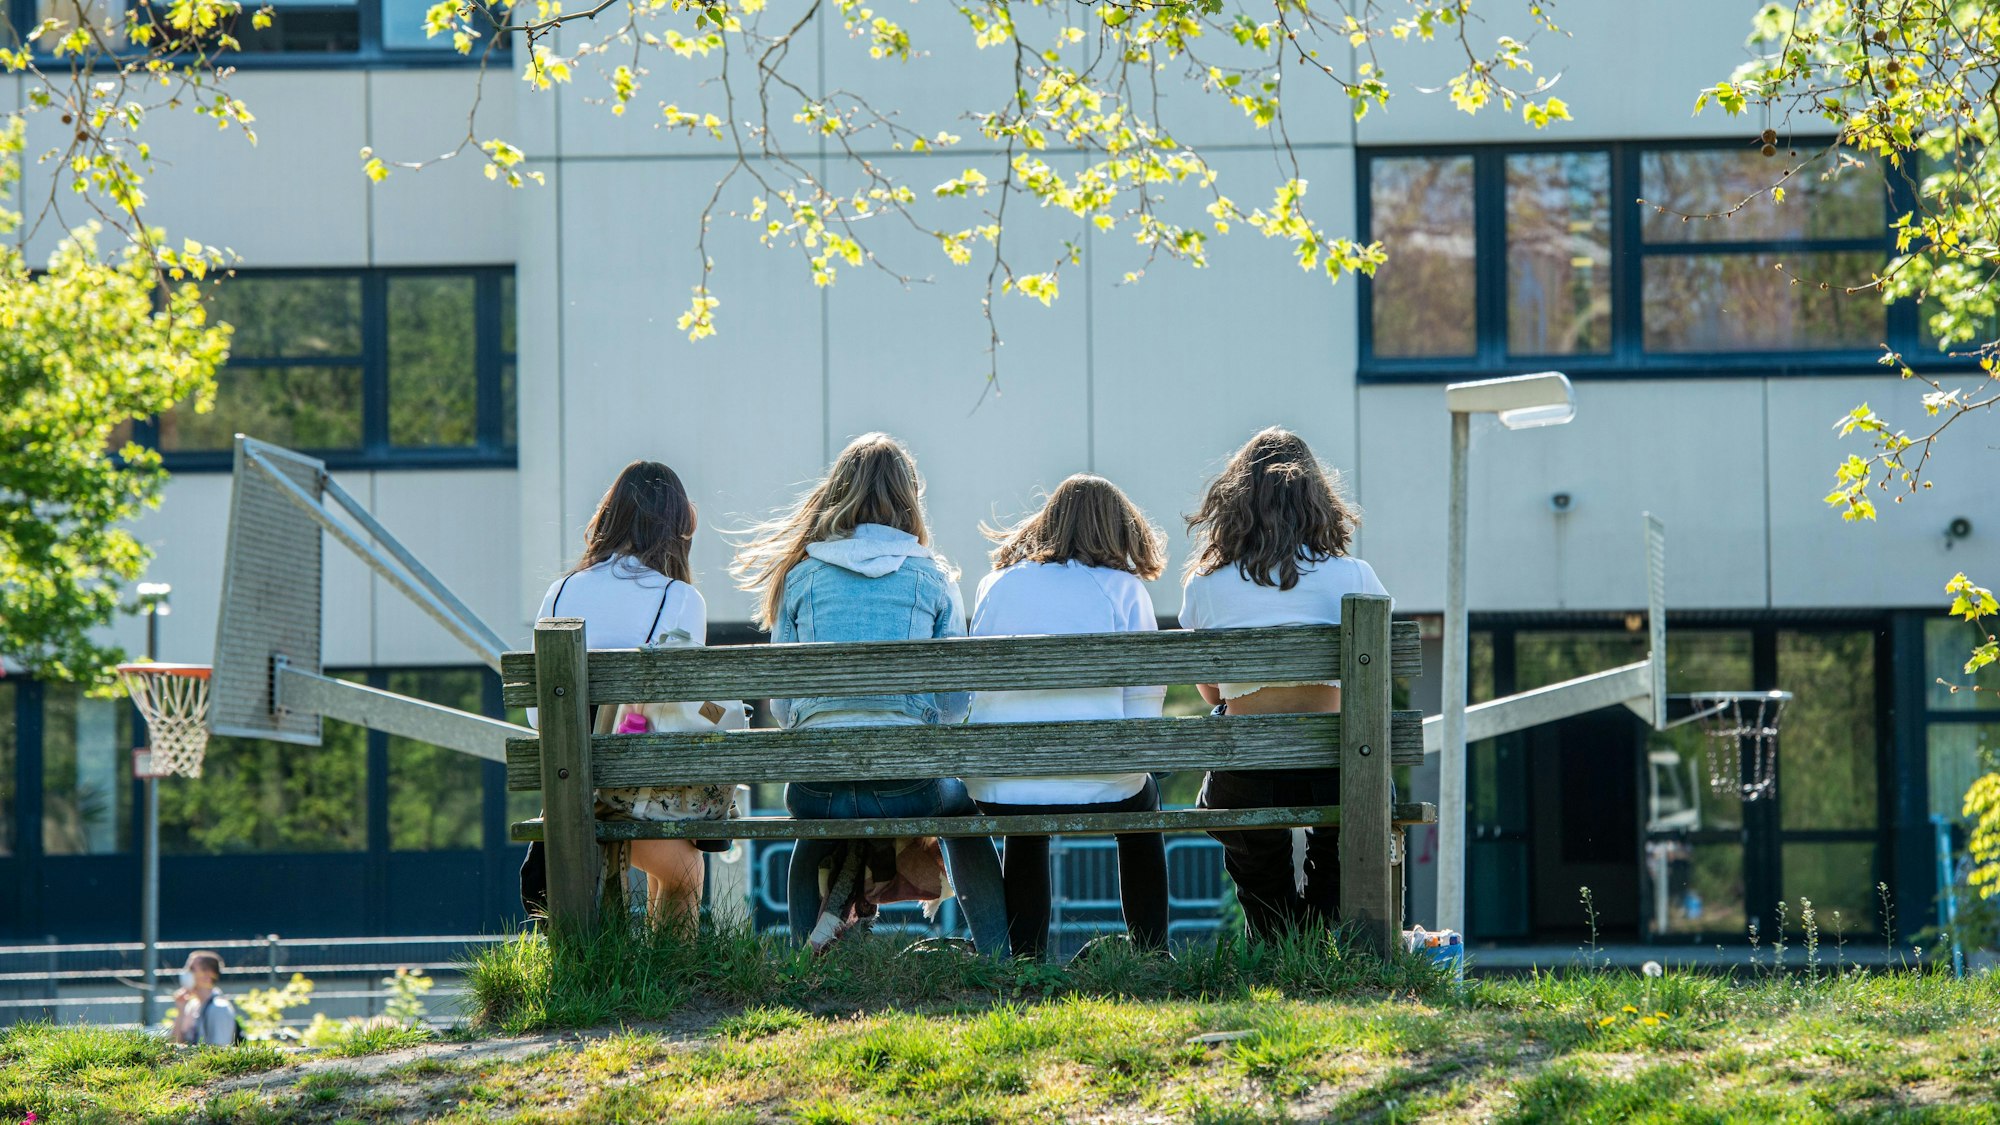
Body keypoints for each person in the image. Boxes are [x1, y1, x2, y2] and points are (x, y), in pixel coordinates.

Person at [731, 432, 1010, 957]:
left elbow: (784, 707)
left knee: (815, 831)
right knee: (963, 818)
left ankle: (803, 964)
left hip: (818, 789)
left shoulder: (800, 577)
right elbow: (954, 704)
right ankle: (998, 957)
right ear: (909, 500)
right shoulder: (933, 577)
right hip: (909, 785)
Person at [1179, 428, 1389, 942]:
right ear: (1320, 503)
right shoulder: (1355, 576)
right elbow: (1376, 682)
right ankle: (1319, 934)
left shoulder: (1207, 584)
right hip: (1340, 765)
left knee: (1250, 839)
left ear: (1234, 504)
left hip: (1249, 770)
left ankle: (1274, 935)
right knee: (1341, 837)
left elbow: (1212, 695)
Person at [963, 474, 1170, 959]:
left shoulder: (996, 584)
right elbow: (1145, 697)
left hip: (1003, 781)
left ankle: (1028, 957)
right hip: (1101, 778)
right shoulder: (1123, 588)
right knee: (1143, 805)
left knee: (1025, 824)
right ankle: (1151, 952)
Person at [526, 459, 726, 925]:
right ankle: (669, 989)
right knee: (686, 872)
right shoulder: (678, 598)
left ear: (608, 519)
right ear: (676, 529)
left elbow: (539, 719)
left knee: (673, 861)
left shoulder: (559, 593)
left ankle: (639, 984)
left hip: (569, 796)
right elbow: (686, 715)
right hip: (635, 795)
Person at [170, 950, 238, 1046]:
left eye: (192, 969)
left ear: (207, 976)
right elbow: (174, 1045)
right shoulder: (192, 1006)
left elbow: (220, 1052)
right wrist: (180, 1012)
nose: (186, 973)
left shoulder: (220, 1009)